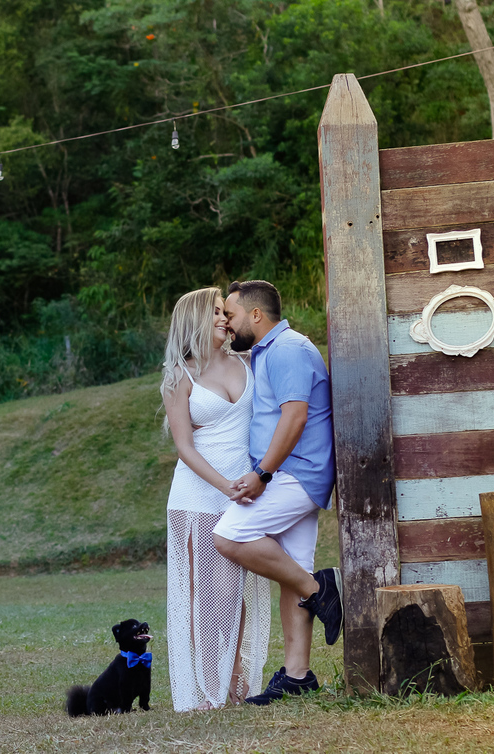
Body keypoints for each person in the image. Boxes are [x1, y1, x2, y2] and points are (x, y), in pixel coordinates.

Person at [212, 279, 342, 705]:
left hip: (294, 473)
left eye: (229, 315)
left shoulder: (287, 349)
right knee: (293, 569)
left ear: (255, 314)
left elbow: (295, 418)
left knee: (229, 536)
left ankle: (320, 589)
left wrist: (262, 474)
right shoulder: (269, 351)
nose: (226, 324)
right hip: (291, 472)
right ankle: (297, 675)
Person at [160, 286, 271, 711]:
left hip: (245, 493)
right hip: (198, 497)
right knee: (208, 597)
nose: (225, 320)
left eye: (226, 313)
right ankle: (210, 687)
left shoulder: (248, 363)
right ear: (193, 322)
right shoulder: (179, 376)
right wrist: (225, 486)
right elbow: (185, 448)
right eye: (215, 314)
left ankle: (235, 677)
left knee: (236, 592)